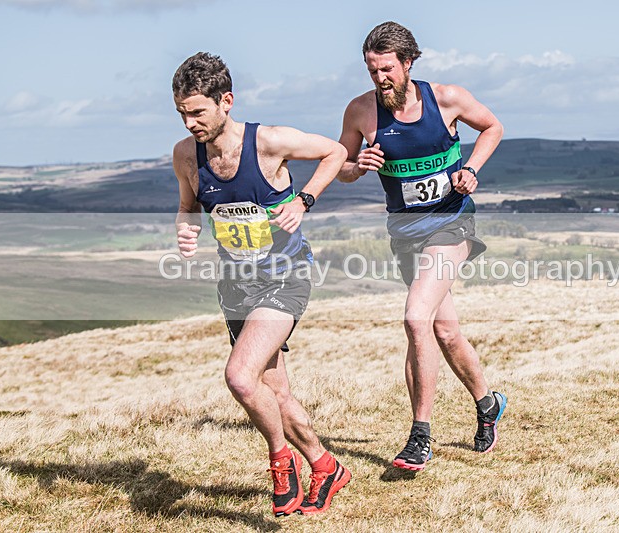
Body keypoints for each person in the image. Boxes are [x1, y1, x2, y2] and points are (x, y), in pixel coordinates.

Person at [171, 52, 350, 516]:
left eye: (197, 112)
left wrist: (305, 199)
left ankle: (280, 461)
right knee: (275, 392)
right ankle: (326, 465)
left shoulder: (269, 142)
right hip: (236, 286)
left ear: (225, 101)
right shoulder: (185, 156)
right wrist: (186, 225)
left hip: (285, 277)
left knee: (239, 377)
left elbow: (336, 152)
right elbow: (189, 204)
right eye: (181, 114)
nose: (190, 123)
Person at [337, 22, 508, 471]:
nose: (380, 79)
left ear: (408, 63)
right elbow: (340, 168)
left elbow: (492, 127)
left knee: (416, 318)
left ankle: (420, 436)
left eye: (387, 69)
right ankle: (488, 404)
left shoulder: (446, 98)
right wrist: (358, 166)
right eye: (372, 70)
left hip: (452, 223)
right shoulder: (361, 112)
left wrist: (471, 168)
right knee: (444, 330)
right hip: (406, 234)